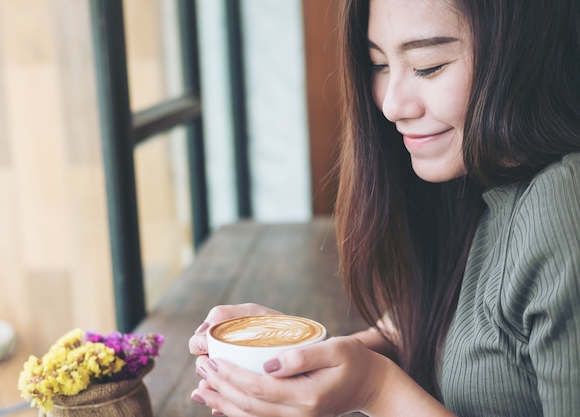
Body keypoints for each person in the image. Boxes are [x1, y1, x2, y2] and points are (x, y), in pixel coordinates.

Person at [188, 0, 580, 415]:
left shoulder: (563, 205)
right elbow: (428, 328)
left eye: (428, 66)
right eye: (379, 64)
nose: (392, 105)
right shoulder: (476, 188)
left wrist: (377, 390)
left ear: (526, 50)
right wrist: (290, 352)